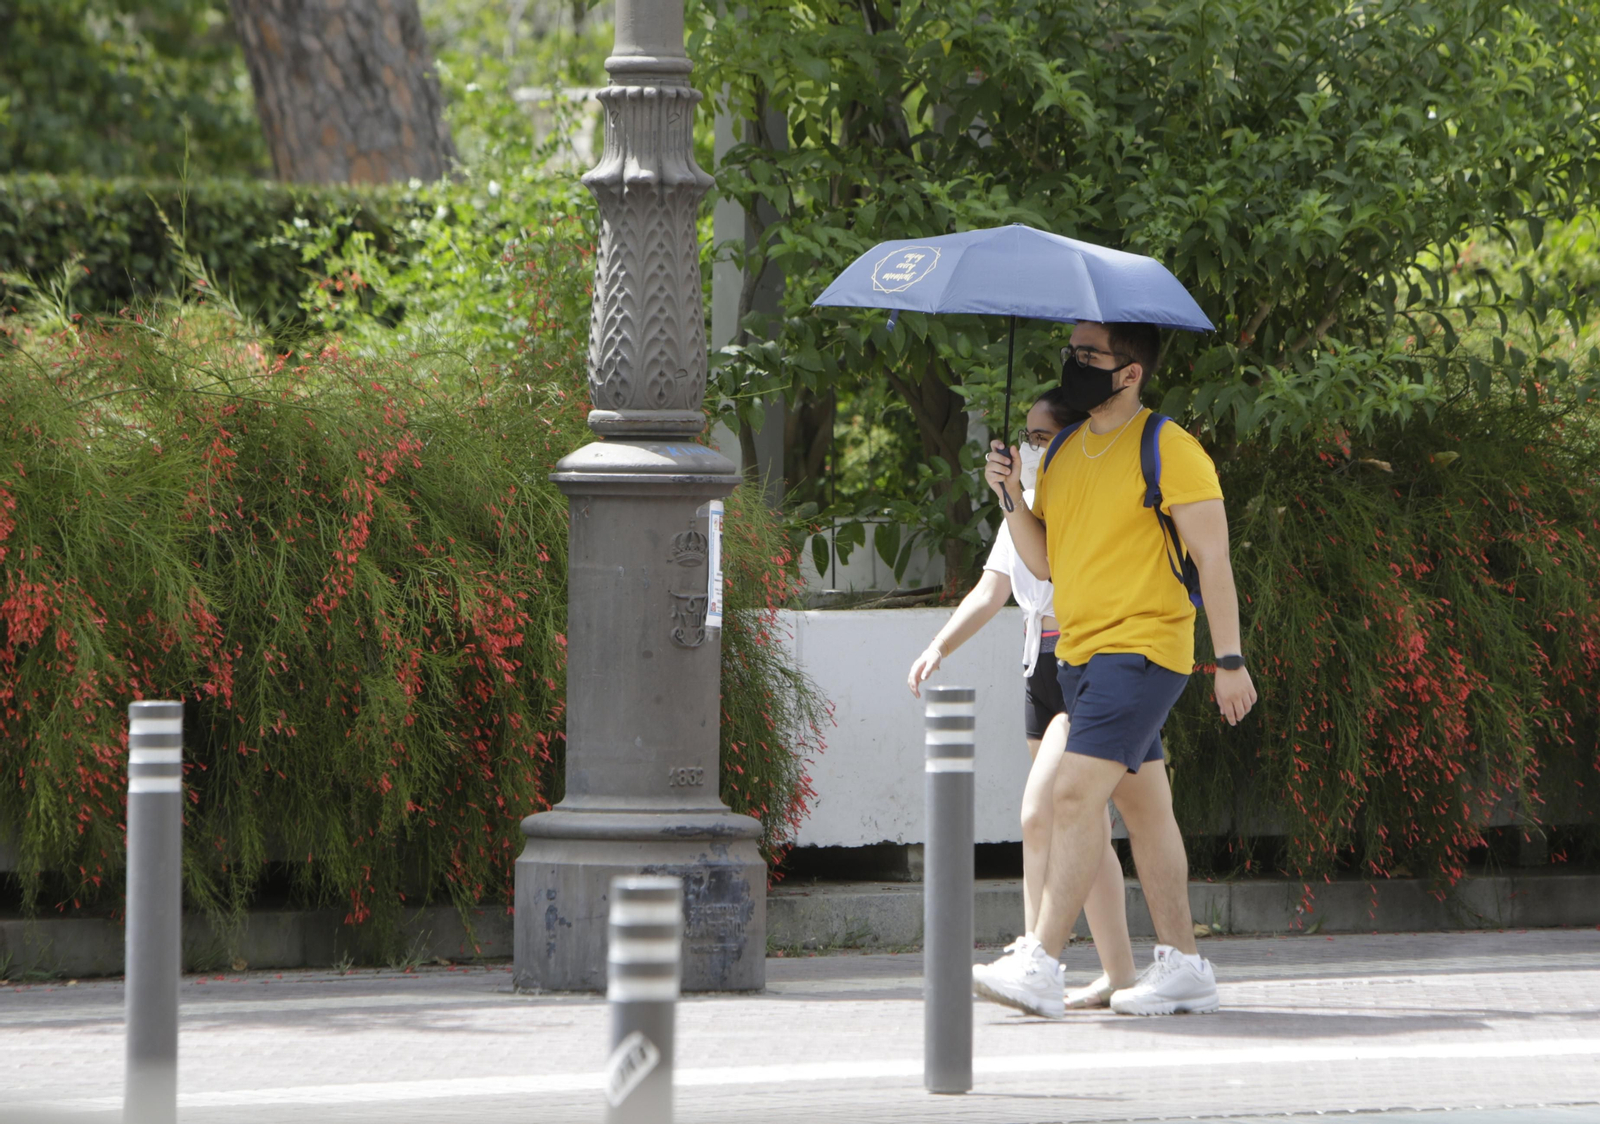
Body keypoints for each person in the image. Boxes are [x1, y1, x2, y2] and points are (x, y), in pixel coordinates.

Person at [973, 319, 1258, 1017]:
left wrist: (1229, 660)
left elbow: (1214, 560)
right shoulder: (1067, 448)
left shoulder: (1170, 448)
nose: (1073, 363)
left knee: (1072, 797)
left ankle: (1040, 961)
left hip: (1143, 650)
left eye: (1089, 355)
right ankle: (1184, 963)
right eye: (1070, 351)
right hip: (1079, 652)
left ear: (1129, 373)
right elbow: (1043, 562)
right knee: (1145, 808)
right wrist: (1010, 495)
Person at [907, 388, 1137, 1012]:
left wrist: (1021, 501)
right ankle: (1118, 974)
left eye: (1041, 438)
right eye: (1026, 438)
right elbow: (991, 591)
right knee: (1085, 824)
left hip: (1082, 661)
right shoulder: (1023, 508)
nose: (1029, 448)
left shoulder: (1084, 498)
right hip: (1041, 666)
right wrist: (938, 646)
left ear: (1071, 438)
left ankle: (1037, 959)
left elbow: (1067, 570)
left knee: (1040, 815)